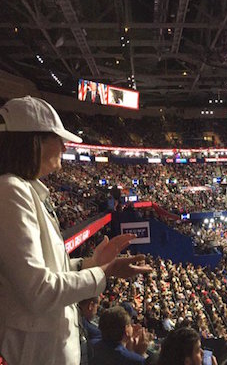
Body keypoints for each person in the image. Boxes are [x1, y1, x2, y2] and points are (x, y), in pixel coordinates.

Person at [0, 96, 152, 365]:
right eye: (57, 138)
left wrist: (90, 263)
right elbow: (38, 291)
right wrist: (102, 272)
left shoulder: (24, 189)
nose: (64, 145)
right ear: (33, 141)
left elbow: (45, 270)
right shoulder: (10, 191)